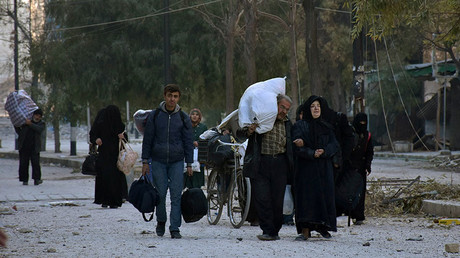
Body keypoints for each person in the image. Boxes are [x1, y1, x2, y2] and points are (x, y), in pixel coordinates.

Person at [238, 94, 294, 241]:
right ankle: (267, 230)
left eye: (287, 109)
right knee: (262, 198)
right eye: (282, 107)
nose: (284, 111)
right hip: (261, 162)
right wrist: (250, 131)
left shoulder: (288, 124)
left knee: (277, 199)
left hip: (280, 164)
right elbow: (241, 133)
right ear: (274, 105)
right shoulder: (261, 120)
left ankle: (275, 230)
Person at [141, 84, 193, 239]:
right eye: (170, 96)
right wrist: (145, 161)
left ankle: (175, 227)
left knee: (176, 195)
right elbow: (148, 139)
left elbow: (188, 142)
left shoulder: (183, 117)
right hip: (158, 161)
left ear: (179, 98)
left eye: (175, 96)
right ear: (164, 96)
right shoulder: (155, 116)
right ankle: (161, 221)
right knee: (160, 194)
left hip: (177, 161)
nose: (172, 99)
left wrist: (189, 163)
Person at [292, 96, 339, 240]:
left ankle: (323, 227)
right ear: (308, 109)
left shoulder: (327, 126)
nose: (316, 108)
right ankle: (305, 230)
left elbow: (334, 145)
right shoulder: (300, 126)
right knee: (307, 199)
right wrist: (312, 153)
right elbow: (296, 148)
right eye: (312, 106)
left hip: (324, 168)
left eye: (318, 105)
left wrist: (324, 151)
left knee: (324, 197)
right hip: (306, 169)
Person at [90, 105, 128, 209]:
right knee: (107, 178)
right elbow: (93, 135)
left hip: (115, 156)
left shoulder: (119, 126)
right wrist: (96, 140)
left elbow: (125, 139)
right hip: (105, 155)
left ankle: (113, 201)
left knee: (111, 178)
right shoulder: (101, 125)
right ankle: (106, 200)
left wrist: (122, 136)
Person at [349, 113, 374, 225]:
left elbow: (369, 152)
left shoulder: (367, 136)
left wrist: (368, 165)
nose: (362, 125)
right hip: (349, 167)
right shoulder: (350, 133)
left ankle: (358, 216)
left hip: (361, 167)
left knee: (360, 191)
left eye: (364, 123)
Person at [15, 108, 45, 186]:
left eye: (39, 116)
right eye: (36, 115)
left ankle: (37, 179)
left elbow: (39, 129)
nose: (37, 117)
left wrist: (30, 124)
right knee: (23, 164)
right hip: (24, 146)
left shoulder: (41, 124)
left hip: (34, 147)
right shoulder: (26, 123)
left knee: (35, 164)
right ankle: (24, 180)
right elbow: (19, 131)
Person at [184, 108, 207, 189]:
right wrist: (192, 142)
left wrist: (199, 143)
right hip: (187, 154)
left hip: (199, 156)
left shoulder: (203, 127)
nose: (194, 116)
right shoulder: (186, 126)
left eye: (197, 115)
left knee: (197, 179)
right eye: (193, 114)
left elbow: (206, 139)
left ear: (199, 117)